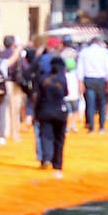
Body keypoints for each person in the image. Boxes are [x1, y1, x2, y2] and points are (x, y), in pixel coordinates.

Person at [32, 39, 70, 174]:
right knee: (59, 138)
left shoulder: (43, 78)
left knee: (46, 136)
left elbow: (38, 97)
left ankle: (47, 158)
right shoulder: (62, 78)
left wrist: (36, 113)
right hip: (60, 109)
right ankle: (58, 163)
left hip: (45, 109)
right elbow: (66, 92)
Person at [77, 29, 108, 132]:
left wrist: (80, 82)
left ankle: (91, 127)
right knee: (101, 103)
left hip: (88, 79)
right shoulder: (104, 52)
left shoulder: (84, 52)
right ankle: (101, 127)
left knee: (90, 103)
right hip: (100, 79)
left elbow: (80, 68)